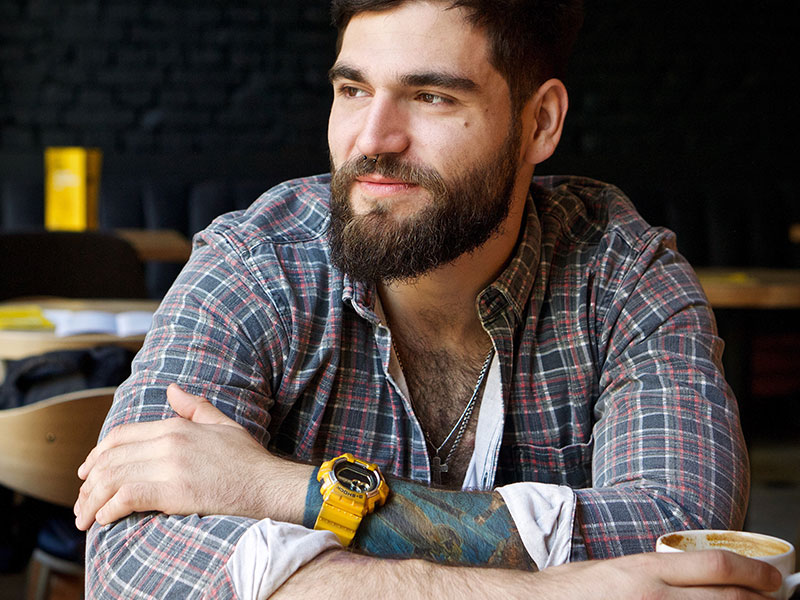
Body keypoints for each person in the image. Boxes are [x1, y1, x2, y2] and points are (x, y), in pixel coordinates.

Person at [74, 0, 777, 597]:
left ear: (540, 122)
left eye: (432, 96)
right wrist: (544, 591)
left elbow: (682, 536)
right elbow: (129, 555)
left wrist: (290, 491)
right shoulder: (257, 265)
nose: (372, 139)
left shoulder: (622, 275)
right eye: (353, 90)